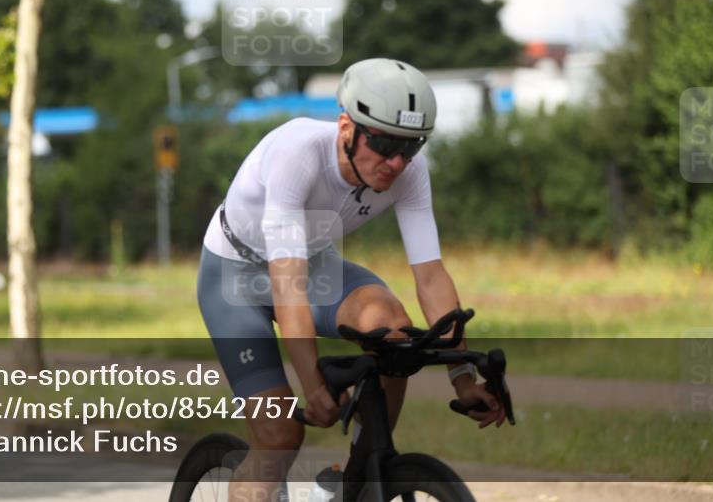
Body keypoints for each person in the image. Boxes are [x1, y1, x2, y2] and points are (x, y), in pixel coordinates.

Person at [197, 58, 507, 501]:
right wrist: (313, 387)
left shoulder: (409, 173)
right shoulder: (297, 155)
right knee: (280, 436)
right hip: (236, 276)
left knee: (393, 331)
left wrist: (463, 377)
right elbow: (288, 287)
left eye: (411, 146)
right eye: (383, 144)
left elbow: (432, 275)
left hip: (311, 261)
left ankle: (356, 477)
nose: (397, 162)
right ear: (347, 127)